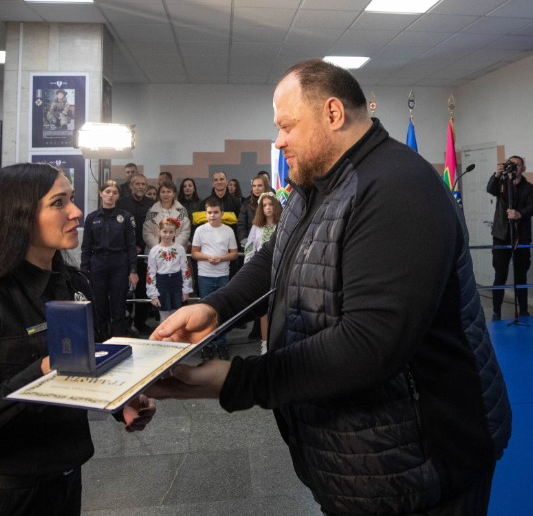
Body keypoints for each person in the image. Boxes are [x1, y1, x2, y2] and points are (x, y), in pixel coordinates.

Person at [151, 59, 510, 515]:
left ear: (333, 114)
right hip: (358, 459)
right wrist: (217, 307)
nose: (279, 141)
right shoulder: (317, 185)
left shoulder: (398, 188)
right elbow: (278, 255)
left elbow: (369, 346)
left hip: (421, 463)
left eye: (287, 126)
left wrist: (236, 381)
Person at [0, 163, 154, 515]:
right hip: (1, 498)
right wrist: (39, 375)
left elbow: (88, 366)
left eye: (72, 199)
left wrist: (119, 402)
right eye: (58, 202)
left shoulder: (75, 285)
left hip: (64, 487)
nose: (76, 212)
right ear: (18, 217)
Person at [80, 181, 138, 338]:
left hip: (119, 263)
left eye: (114, 192)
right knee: (99, 304)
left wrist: (133, 270)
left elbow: (131, 246)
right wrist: (84, 272)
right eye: (107, 191)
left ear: (118, 196)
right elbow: (86, 247)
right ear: (101, 193)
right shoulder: (92, 218)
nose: (111, 195)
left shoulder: (126, 217)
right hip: (98, 263)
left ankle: (118, 339)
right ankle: (102, 338)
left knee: (119, 304)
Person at [485, 154, 533, 320]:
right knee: (500, 275)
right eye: (511, 164)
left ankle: (523, 310)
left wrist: (519, 214)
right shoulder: (501, 183)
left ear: (523, 168)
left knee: (521, 276)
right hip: (501, 236)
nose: (514, 167)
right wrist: (496, 174)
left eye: (518, 165)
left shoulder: (529, 188)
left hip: (521, 237)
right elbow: (490, 189)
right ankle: (496, 312)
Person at [189, 197, 238, 360]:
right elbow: (194, 252)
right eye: (209, 212)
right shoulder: (200, 230)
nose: (212, 215)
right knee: (205, 312)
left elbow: (234, 253)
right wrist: (207, 257)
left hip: (223, 275)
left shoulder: (228, 230)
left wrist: (221, 258)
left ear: (222, 213)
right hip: (205, 276)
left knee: (221, 310)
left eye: (216, 212)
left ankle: (221, 343)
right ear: (206, 213)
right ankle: (207, 344)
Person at [243, 191, 281, 353]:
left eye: (271, 204)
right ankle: (265, 344)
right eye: (264, 205)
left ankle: (278, 343)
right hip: (262, 271)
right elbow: (250, 247)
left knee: (279, 308)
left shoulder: (282, 225)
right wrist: (249, 268)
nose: (268, 208)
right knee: (264, 310)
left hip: (279, 270)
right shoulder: (257, 227)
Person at [118, 174, 155, 334]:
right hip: (124, 253)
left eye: (143, 184)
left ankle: (141, 322)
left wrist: (140, 245)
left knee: (143, 289)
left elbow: (153, 228)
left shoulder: (152, 205)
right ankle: (125, 322)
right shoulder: (121, 203)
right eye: (137, 184)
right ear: (131, 186)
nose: (140, 187)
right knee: (123, 289)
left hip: (143, 252)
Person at [145, 219, 191, 322]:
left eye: (171, 232)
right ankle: (164, 332)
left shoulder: (180, 248)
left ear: (175, 232)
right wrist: (153, 295)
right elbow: (150, 273)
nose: (167, 235)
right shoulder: (154, 250)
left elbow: (186, 270)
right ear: (159, 231)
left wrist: (186, 290)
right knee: (164, 315)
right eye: (165, 231)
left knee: (177, 315)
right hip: (162, 284)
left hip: (177, 283)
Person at [142, 180, 191, 252]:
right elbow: (147, 233)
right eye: (163, 192)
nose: (166, 194)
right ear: (159, 194)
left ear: (174, 194)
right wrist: (160, 247)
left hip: (177, 251)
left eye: (169, 192)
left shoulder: (182, 210)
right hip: (155, 251)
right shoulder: (151, 211)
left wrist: (172, 247)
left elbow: (185, 232)